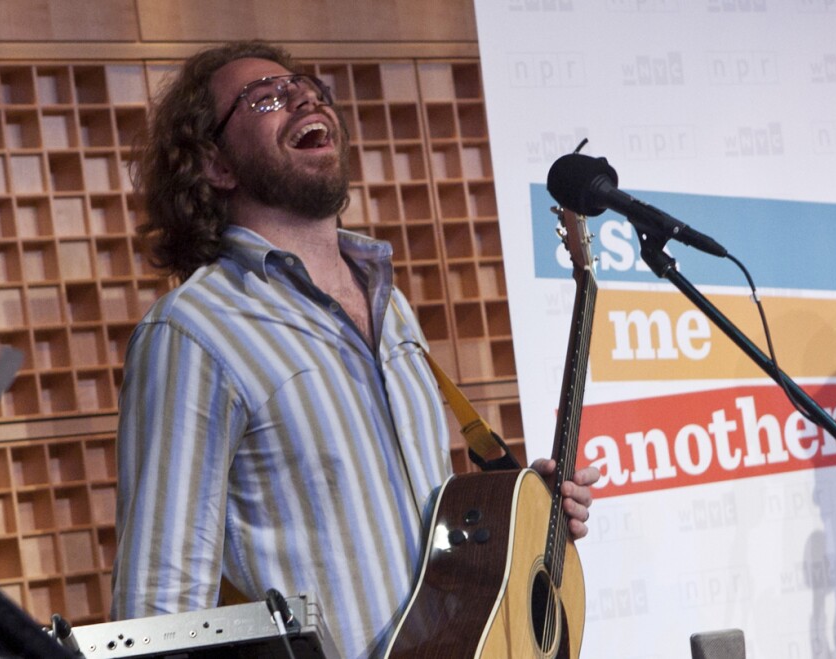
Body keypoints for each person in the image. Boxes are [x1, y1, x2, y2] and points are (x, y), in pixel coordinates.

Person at [111, 40, 600, 658]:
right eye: (265, 98)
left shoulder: (388, 302)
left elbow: (427, 544)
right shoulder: (194, 331)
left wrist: (522, 518)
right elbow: (157, 612)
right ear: (215, 164)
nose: (303, 97)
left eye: (309, 87)